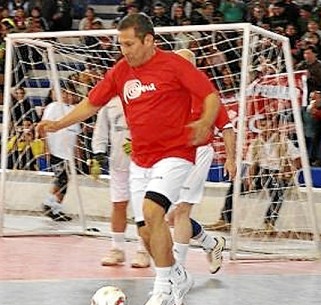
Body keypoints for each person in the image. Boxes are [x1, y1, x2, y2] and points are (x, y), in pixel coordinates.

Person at [36, 13, 220, 305]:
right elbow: (91, 103)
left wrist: (205, 121)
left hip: (175, 154)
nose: (125, 50)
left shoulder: (175, 65)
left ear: (149, 40)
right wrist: (58, 124)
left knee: (152, 211)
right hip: (140, 159)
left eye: (130, 44)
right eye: (121, 44)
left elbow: (210, 95)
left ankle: (163, 289)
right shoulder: (121, 71)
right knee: (146, 230)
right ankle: (178, 275)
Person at [167, 48, 236, 274]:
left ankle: (176, 269)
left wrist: (231, 159)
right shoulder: (167, 93)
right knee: (169, 215)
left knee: (181, 212)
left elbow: (226, 127)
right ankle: (210, 243)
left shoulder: (207, 94)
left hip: (198, 154)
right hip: (173, 154)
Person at [91, 96, 150, 268]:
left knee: (142, 210)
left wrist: (141, 144)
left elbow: (158, 128)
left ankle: (143, 250)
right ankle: (117, 249)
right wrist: (98, 152)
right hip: (118, 163)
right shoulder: (110, 102)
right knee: (118, 204)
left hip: (144, 163)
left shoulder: (147, 97)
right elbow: (100, 129)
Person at [41, 82, 81, 222]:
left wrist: (77, 153)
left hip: (68, 153)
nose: (67, 95)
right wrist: (46, 147)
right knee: (61, 178)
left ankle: (56, 208)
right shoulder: (54, 107)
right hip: (56, 150)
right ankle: (48, 203)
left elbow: (76, 134)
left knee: (65, 180)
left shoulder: (74, 109)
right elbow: (43, 126)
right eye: (64, 92)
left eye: (70, 93)